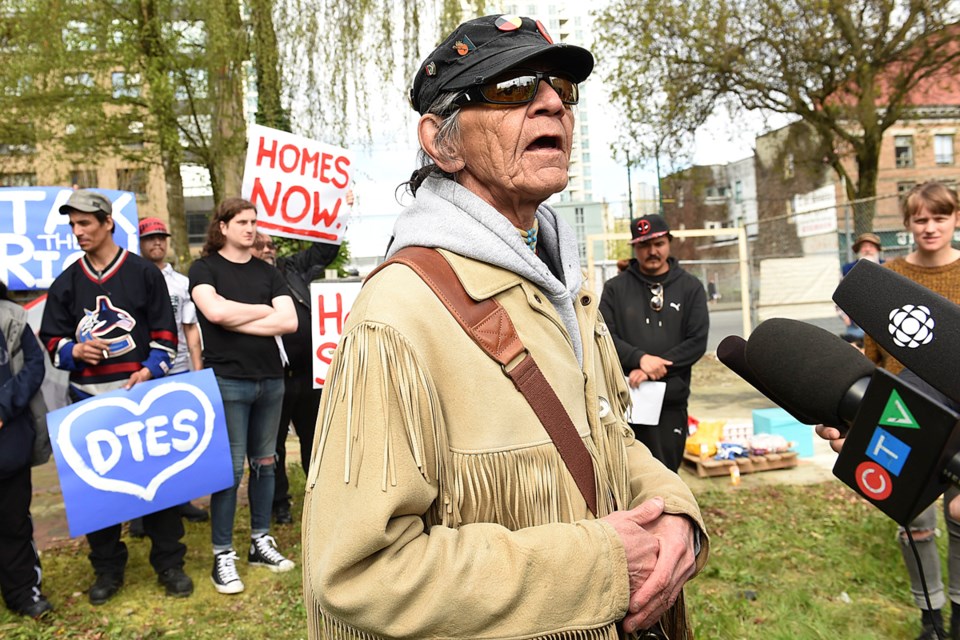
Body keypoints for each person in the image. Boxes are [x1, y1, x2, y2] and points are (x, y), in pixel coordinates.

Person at [302, 15, 708, 640]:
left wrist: (676, 513)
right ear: (443, 143)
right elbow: (357, 572)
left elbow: (609, 437)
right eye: (515, 87)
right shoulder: (399, 314)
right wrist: (598, 563)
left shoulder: (565, 284)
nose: (552, 102)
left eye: (560, 89)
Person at [818, 181, 960, 640]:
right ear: (907, 224)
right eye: (921, 219)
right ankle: (930, 618)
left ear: (955, 219)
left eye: (940, 217)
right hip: (905, 414)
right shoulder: (888, 278)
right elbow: (875, 354)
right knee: (914, 522)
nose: (930, 227)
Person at [39, 189, 192, 604]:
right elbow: (50, 337)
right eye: (73, 224)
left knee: (160, 487)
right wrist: (74, 350)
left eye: (85, 223)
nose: (78, 231)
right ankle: (107, 569)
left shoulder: (145, 273)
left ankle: (169, 563)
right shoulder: (67, 281)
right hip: (89, 402)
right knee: (96, 494)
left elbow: (166, 335)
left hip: (142, 399)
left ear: (108, 223)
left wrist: (149, 369)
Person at [188, 197, 298, 595]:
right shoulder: (203, 269)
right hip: (228, 380)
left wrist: (237, 316)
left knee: (266, 464)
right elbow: (213, 315)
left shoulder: (266, 271)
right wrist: (260, 312)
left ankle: (259, 541)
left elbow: (288, 320)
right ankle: (223, 554)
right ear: (223, 226)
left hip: (271, 379)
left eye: (254, 221)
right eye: (242, 222)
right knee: (231, 470)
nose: (251, 228)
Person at [599, 214, 710, 472]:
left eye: (658, 244)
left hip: (670, 399)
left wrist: (653, 369)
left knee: (666, 474)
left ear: (668, 243)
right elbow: (604, 336)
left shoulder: (690, 287)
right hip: (627, 399)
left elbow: (696, 341)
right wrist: (639, 359)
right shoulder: (615, 288)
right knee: (628, 474)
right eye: (644, 245)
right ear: (635, 248)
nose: (652, 251)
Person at [250, 232, 339, 525]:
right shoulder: (243, 279)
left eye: (270, 245)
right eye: (259, 245)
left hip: (308, 374)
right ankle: (280, 504)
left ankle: (323, 498)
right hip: (272, 375)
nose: (266, 250)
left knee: (314, 440)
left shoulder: (292, 268)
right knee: (272, 443)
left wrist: (337, 207)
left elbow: (326, 248)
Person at [133, 217, 209, 530]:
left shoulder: (181, 282)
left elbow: (191, 328)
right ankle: (142, 511)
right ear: (140, 242)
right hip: (144, 372)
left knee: (175, 441)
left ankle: (181, 500)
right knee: (142, 444)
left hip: (178, 369)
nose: (157, 243)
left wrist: (197, 371)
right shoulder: (132, 278)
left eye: (161, 237)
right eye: (150, 238)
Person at [0, 280, 53, 618]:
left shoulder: (12, 316)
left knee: (13, 519)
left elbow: (35, 366)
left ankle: (23, 591)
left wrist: (3, 408)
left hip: (8, 439)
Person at [838, 231, 884, 341]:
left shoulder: (887, 267)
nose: (867, 249)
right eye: (864, 247)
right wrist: (844, 316)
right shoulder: (847, 269)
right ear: (858, 250)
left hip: (882, 322)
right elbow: (840, 293)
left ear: (877, 249)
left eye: (871, 246)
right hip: (856, 324)